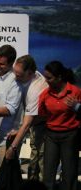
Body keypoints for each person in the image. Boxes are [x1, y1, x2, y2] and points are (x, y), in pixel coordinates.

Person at [5, 55, 48, 181]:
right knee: (34, 163)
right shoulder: (33, 75)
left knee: (41, 165)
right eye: (15, 72)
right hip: (37, 125)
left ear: (30, 73)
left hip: (44, 128)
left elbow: (27, 124)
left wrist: (12, 148)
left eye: (19, 75)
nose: (15, 77)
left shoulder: (35, 90)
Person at [38, 61, 81, 190]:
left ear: (59, 77)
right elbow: (42, 114)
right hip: (51, 135)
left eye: (49, 78)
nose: (46, 80)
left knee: (69, 173)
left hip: (70, 135)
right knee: (48, 173)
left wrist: (76, 107)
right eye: (45, 77)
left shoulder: (75, 92)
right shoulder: (45, 94)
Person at [0, 44, 23, 189]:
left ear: (11, 63)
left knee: (5, 178)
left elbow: (10, 109)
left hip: (8, 137)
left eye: (2, 64)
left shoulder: (15, 80)